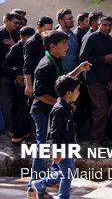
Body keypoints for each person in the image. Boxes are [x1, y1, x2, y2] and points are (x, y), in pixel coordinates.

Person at [28, 30, 91, 198]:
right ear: (52, 46)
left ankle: (53, 181)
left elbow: (61, 84)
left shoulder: (55, 60)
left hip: (53, 110)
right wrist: (63, 103)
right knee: (43, 149)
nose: (67, 46)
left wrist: (78, 69)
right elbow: (39, 93)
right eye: (64, 44)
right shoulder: (45, 65)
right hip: (43, 112)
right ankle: (35, 187)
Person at [33, 75, 81, 199]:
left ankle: (40, 183)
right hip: (61, 148)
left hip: (68, 147)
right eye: (77, 90)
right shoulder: (59, 110)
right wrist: (55, 152)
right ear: (69, 93)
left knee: (68, 172)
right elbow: (53, 133)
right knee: (67, 175)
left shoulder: (68, 106)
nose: (79, 93)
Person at [79, 15, 112, 146]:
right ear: (98, 25)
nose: (107, 28)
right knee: (101, 109)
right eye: (104, 25)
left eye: (109, 25)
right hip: (93, 79)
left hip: (106, 79)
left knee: (105, 109)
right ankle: (95, 140)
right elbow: (83, 58)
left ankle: (101, 137)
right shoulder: (91, 38)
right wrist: (103, 59)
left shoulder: (111, 40)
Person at [4, 26, 35, 144]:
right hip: (20, 82)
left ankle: (25, 132)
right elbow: (5, 66)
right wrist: (17, 76)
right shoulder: (15, 48)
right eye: (27, 38)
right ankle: (15, 132)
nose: (30, 40)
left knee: (27, 107)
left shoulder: (32, 47)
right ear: (21, 37)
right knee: (25, 107)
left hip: (30, 81)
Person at [0, 11, 21, 133]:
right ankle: (9, 128)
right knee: (7, 102)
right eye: (15, 22)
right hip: (3, 75)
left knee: (14, 102)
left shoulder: (15, 34)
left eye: (18, 23)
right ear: (6, 21)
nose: (17, 25)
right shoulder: (1, 35)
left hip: (14, 73)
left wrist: (13, 44)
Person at [24, 17, 54, 100]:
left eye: (50, 30)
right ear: (38, 28)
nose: (48, 32)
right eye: (46, 30)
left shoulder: (47, 41)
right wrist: (29, 85)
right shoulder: (32, 42)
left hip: (46, 78)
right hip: (35, 80)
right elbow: (27, 66)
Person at [56, 9, 79, 73]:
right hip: (61, 76)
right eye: (69, 19)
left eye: (72, 18)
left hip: (74, 75)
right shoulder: (56, 36)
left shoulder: (73, 35)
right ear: (61, 21)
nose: (73, 20)